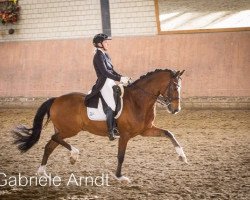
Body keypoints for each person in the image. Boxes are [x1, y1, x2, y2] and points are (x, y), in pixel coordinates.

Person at [84, 33, 131, 141]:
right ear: (99, 44)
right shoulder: (98, 56)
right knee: (112, 105)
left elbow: (112, 70)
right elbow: (105, 73)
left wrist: (123, 77)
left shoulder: (106, 55)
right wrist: (119, 79)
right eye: (105, 42)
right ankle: (111, 131)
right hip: (104, 83)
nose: (107, 44)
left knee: (121, 99)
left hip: (110, 82)